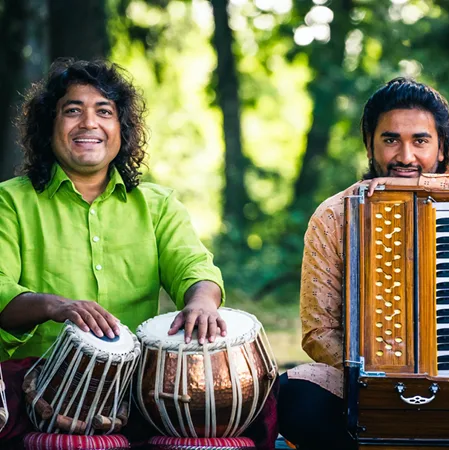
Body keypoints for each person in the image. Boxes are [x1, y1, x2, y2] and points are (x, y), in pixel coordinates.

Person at [0, 59, 275, 449]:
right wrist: (54, 306)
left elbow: (194, 268)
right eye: (72, 110)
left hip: (141, 385)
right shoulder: (9, 202)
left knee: (255, 398)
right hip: (39, 380)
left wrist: (200, 303)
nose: (89, 123)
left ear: (120, 129)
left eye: (104, 111)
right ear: (49, 126)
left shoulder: (158, 205)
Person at [278, 77, 449, 450]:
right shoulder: (335, 215)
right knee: (294, 395)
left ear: (441, 149)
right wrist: (385, 369)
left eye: (420, 141)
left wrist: (436, 187)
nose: (405, 157)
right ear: (370, 147)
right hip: (367, 384)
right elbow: (318, 333)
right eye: (390, 140)